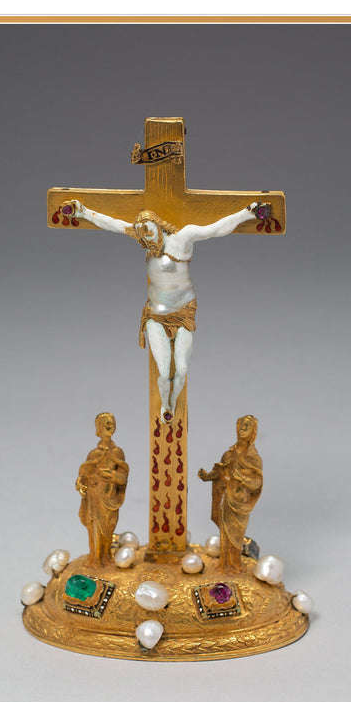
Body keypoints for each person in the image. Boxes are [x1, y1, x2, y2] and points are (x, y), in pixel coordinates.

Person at [67, 199, 266, 420]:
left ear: (159, 225)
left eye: (150, 232)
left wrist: (245, 214)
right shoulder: (144, 239)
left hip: (183, 313)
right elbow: (113, 224)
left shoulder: (183, 238)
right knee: (163, 373)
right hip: (155, 314)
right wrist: (85, 213)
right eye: (143, 236)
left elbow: (215, 229)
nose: (148, 239)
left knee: (181, 369)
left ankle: (173, 400)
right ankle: (166, 406)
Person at [198, 415, 263, 571]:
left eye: (247, 426)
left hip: (241, 501)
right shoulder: (229, 454)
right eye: (241, 425)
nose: (242, 428)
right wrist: (207, 476)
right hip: (227, 498)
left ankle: (235, 564)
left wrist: (240, 477)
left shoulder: (253, 458)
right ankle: (224, 564)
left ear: (253, 432)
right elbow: (220, 472)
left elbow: (257, 483)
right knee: (225, 534)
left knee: (236, 535)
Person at [75, 412, 129, 567]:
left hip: (110, 497)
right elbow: (84, 474)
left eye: (112, 423)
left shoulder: (118, 453)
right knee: (94, 527)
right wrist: (80, 483)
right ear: (99, 428)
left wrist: (111, 475)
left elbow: (123, 476)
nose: (110, 426)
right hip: (95, 496)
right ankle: (95, 558)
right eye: (106, 424)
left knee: (109, 527)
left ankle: (106, 556)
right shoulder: (94, 454)